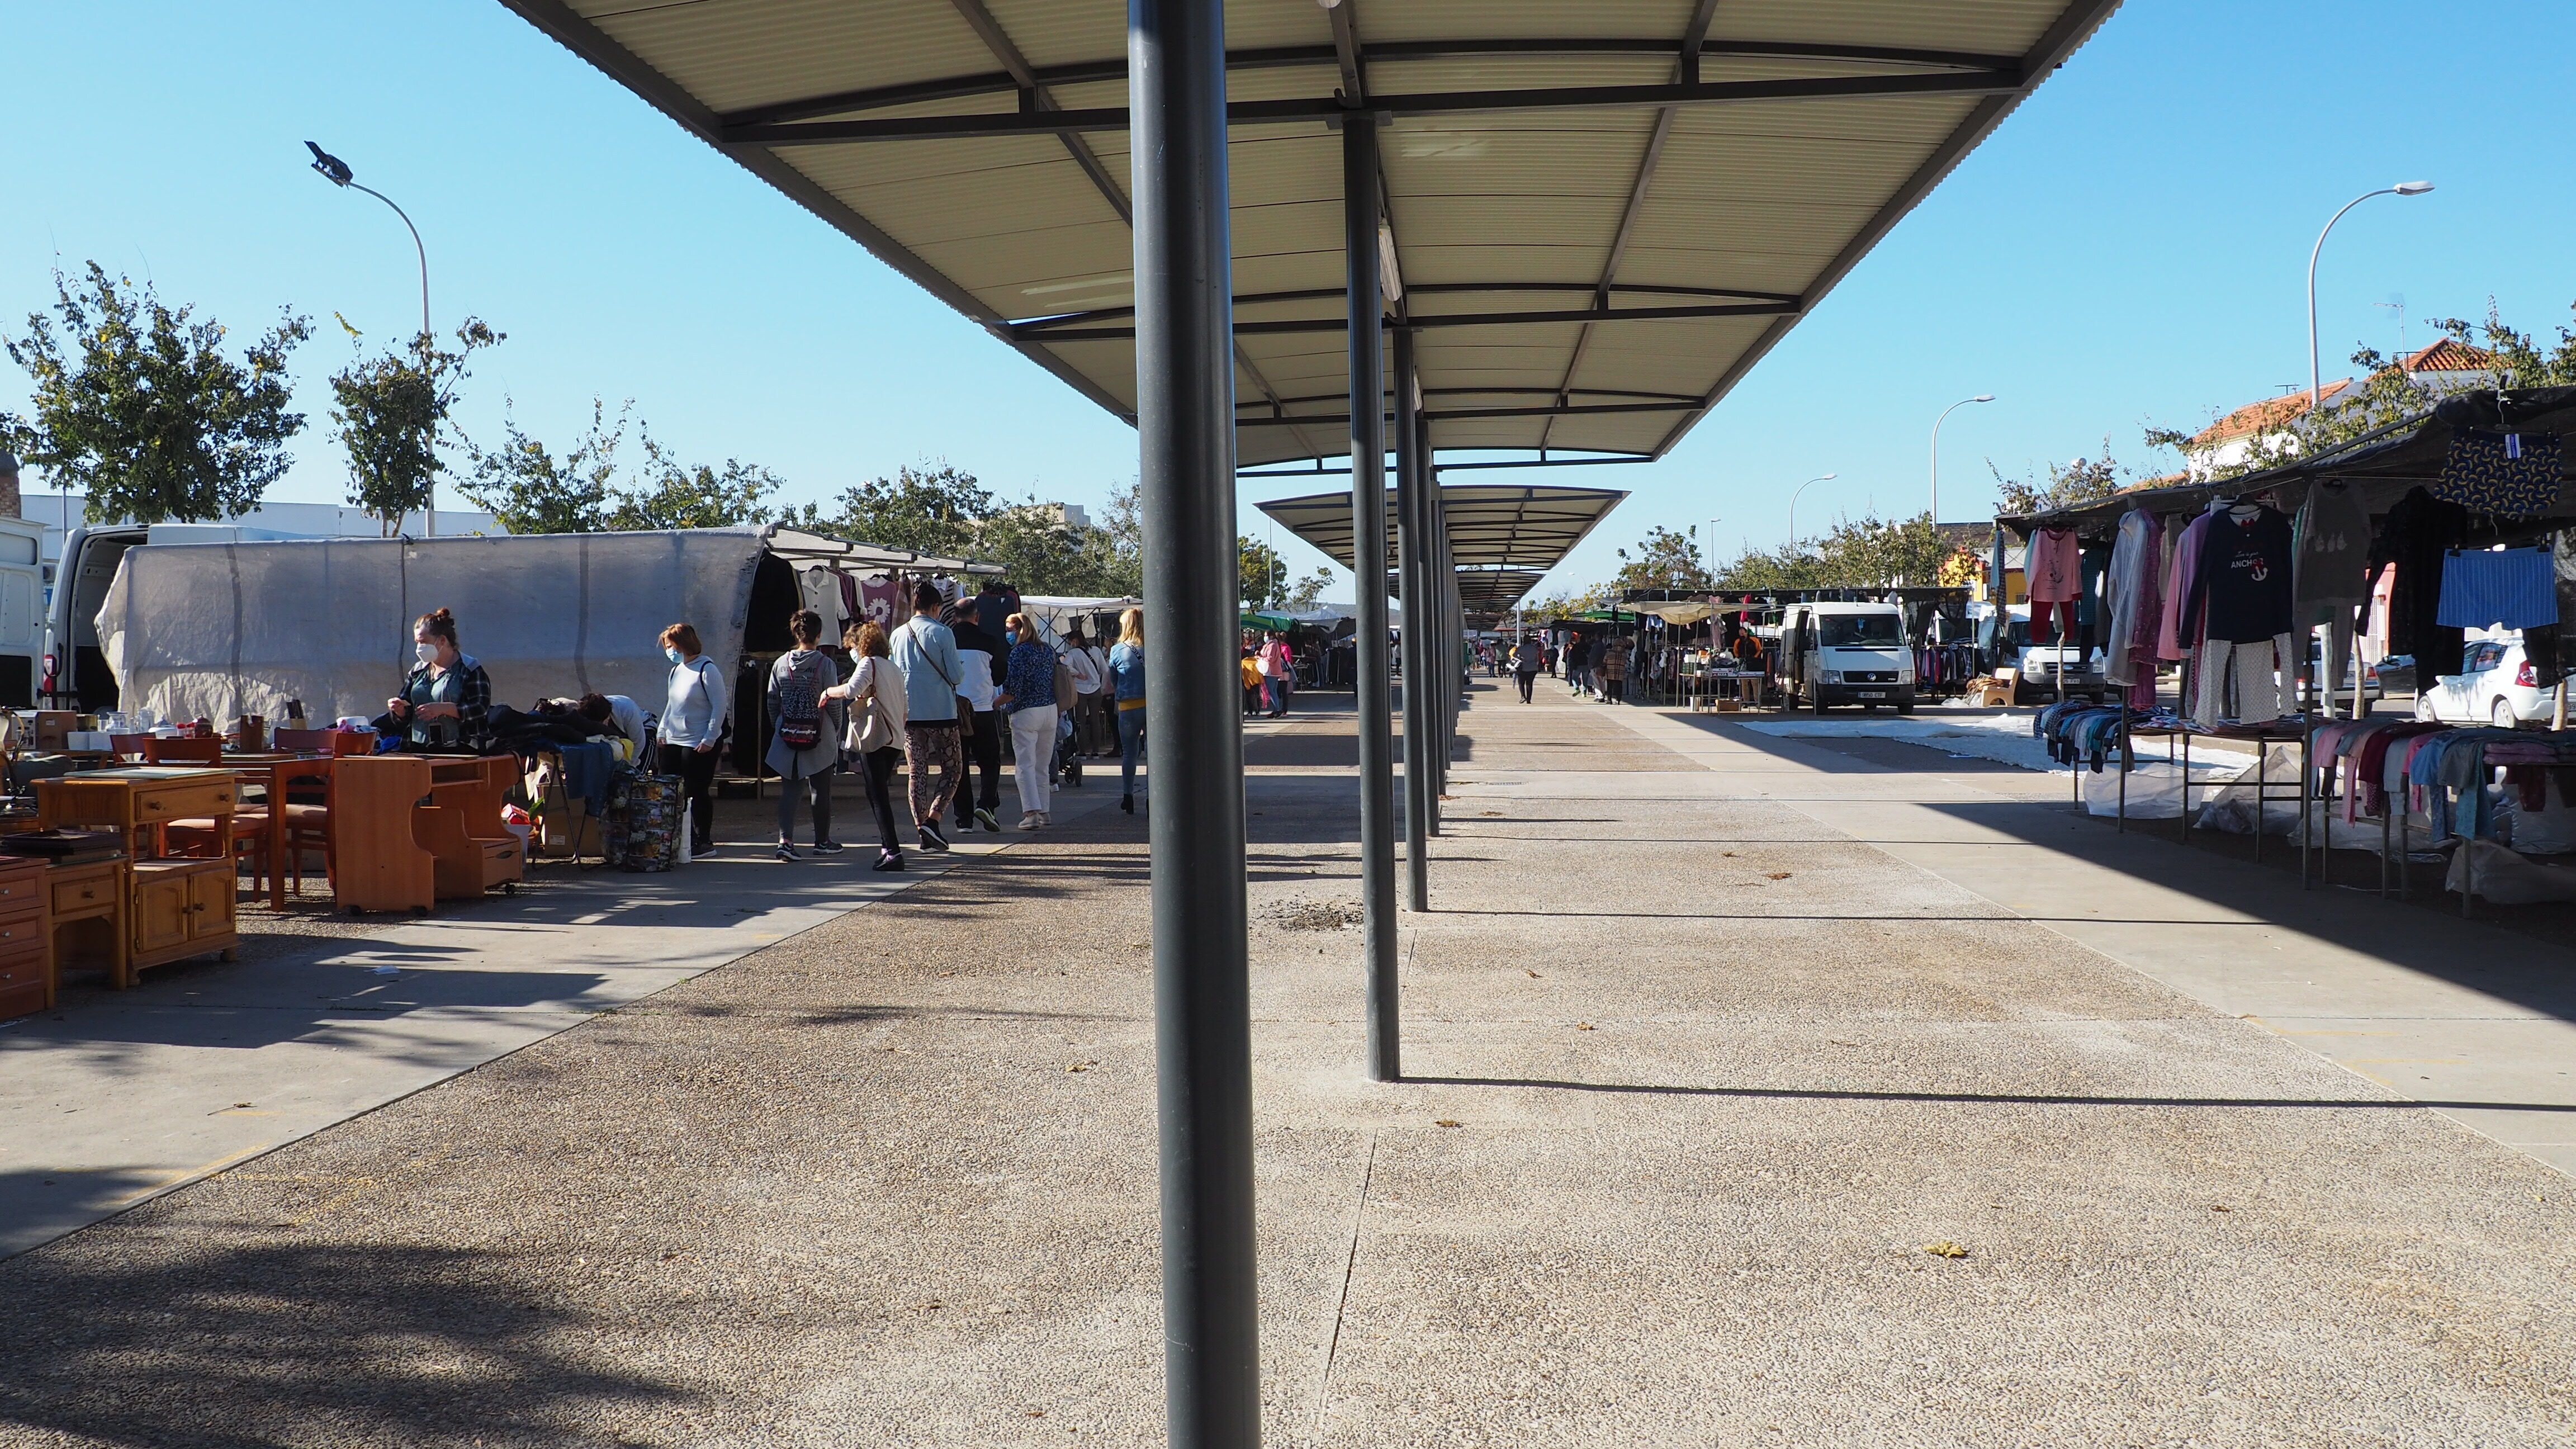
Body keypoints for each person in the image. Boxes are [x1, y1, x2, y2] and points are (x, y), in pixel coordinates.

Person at [823, 619, 908, 872]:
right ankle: (887, 848)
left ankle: (893, 850)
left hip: (876, 738)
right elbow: (904, 707)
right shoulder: (892, 668)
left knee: (878, 796)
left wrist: (828, 692)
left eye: (852, 646)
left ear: (860, 645)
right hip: (894, 738)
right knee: (876, 793)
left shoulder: (868, 663)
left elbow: (850, 689)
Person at [891, 582, 964, 852]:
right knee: (953, 769)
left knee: (916, 773)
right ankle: (934, 820)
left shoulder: (897, 635)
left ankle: (922, 830)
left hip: (909, 713)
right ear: (937, 607)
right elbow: (956, 676)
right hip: (941, 711)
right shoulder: (943, 633)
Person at [765, 609, 842, 860]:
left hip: (787, 732)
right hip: (819, 732)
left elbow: (772, 701)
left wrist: (778, 726)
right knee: (820, 789)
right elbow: (833, 702)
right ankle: (822, 841)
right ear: (819, 635)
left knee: (790, 790)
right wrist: (836, 728)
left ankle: (785, 841)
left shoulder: (780, 663)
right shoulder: (825, 664)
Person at [656, 622, 728, 858]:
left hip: (698, 741)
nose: (670, 651)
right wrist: (662, 730)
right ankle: (676, 837)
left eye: (672, 646)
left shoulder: (707, 669)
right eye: (667, 647)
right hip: (674, 739)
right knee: (670, 790)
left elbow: (719, 707)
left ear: (685, 644)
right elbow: (672, 703)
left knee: (697, 790)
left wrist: (710, 737)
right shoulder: (676, 671)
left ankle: (703, 840)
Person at [379, 607, 492, 751]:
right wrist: (399, 710)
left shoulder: (469, 668)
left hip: (461, 750)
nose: (419, 647)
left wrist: (446, 709)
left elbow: (481, 709)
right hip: (419, 749)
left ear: (442, 640)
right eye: (417, 642)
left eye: (424, 642)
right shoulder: (417, 671)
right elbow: (406, 712)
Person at [995, 612, 1060, 830]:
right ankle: (1045, 811)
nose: (1007, 633)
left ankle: (1030, 813)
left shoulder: (1018, 653)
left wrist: (995, 703)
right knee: (1042, 765)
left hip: (1026, 712)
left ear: (1019, 629)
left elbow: (1014, 688)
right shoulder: (1048, 649)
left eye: (1009, 629)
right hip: (1050, 709)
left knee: (1025, 764)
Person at [946, 604, 1005, 834]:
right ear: (977, 617)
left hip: (954, 711)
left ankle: (964, 819)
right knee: (990, 762)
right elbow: (1000, 674)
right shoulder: (990, 641)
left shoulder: (947, 640)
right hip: (983, 709)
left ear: (954, 617)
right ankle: (987, 805)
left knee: (959, 766)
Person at [1109, 606, 1147, 813]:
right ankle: (1153, 798)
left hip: (1128, 706)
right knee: (1154, 755)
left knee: (1129, 754)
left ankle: (1128, 796)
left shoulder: (1117, 650)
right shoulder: (1153, 646)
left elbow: (1113, 679)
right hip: (1152, 706)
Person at [1258, 630, 1295, 717]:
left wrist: (1260, 658)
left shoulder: (1272, 645)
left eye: (1266, 636)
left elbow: (1270, 658)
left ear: (1271, 636)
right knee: (1274, 691)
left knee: (1272, 691)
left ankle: (1277, 710)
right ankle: (1276, 709)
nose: (1265, 638)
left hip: (1271, 671)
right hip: (1273, 671)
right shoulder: (1274, 645)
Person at [1599, 633, 1632, 704]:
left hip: (1610, 672)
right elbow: (1626, 662)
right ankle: (1618, 700)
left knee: (1610, 686)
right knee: (1619, 686)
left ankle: (1609, 700)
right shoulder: (1624, 654)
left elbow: (1604, 661)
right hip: (1620, 673)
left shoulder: (1609, 652)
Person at [1511, 633, 1543, 703]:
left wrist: (1521, 658)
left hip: (1523, 667)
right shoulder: (1534, 649)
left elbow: (1514, 655)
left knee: (1521, 683)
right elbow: (1537, 659)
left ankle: (1523, 697)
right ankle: (1529, 699)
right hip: (1533, 668)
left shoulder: (1521, 649)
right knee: (1530, 684)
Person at [1239, 647, 1266, 717]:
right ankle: (1257, 711)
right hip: (1256, 681)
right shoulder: (1255, 661)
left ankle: (1250, 711)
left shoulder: (1243, 662)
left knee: (1249, 697)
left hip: (1248, 681)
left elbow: (1243, 674)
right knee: (1256, 696)